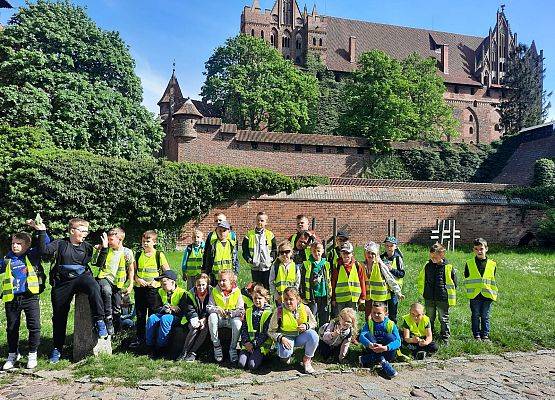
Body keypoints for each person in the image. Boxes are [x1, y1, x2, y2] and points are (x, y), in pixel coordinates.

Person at [31, 218, 108, 364]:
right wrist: (41, 232)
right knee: (59, 316)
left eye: (86, 230)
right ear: (72, 231)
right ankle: (57, 348)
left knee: (93, 286)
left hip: (82, 277)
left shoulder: (87, 247)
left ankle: (99, 320)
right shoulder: (60, 243)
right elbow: (44, 251)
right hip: (62, 281)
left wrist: (104, 248)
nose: (85, 233)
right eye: (82, 230)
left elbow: (97, 264)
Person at [1, 231, 48, 370]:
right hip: (12, 299)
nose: (15, 246)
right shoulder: (7, 259)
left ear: (27, 245)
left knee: (34, 326)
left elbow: (43, 244)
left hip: (30, 297)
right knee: (11, 328)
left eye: (19, 244)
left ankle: (32, 354)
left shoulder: (33, 256)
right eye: (13, 243)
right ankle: (13, 354)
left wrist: (41, 230)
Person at [130, 230, 170, 348]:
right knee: (140, 314)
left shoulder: (159, 255)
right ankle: (140, 338)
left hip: (153, 290)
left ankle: (152, 338)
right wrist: (137, 279)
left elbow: (167, 272)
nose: (145, 244)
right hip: (140, 289)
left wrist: (156, 280)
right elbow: (133, 272)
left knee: (154, 314)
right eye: (143, 241)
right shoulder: (138, 255)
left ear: (154, 242)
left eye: (148, 241)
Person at [267, 287, 318, 374]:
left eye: (291, 299)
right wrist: (281, 338)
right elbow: (270, 331)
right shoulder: (279, 311)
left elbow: (314, 322)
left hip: (300, 337)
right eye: (285, 299)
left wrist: (307, 326)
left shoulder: (305, 308)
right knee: (285, 355)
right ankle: (285, 356)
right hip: (286, 338)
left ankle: (307, 360)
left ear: (297, 299)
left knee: (313, 335)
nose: (288, 302)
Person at [95, 227, 134, 335]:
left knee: (117, 308)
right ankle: (108, 318)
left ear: (120, 240)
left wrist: (130, 285)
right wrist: (101, 249)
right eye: (108, 239)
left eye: (111, 239)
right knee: (106, 291)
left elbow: (131, 269)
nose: (108, 242)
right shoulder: (106, 249)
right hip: (105, 277)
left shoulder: (127, 252)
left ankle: (117, 331)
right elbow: (97, 262)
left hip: (118, 283)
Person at [417, 243, 457, 342]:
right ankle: (430, 335)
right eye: (431, 257)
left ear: (442, 255)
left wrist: (446, 294)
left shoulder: (448, 267)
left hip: (442, 298)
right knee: (429, 318)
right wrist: (423, 292)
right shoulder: (427, 266)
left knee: (443, 318)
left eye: (435, 257)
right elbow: (422, 279)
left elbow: (454, 283)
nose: (433, 259)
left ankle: (445, 337)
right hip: (429, 297)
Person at [207, 269, 244, 363]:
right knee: (212, 317)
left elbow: (241, 310)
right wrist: (217, 309)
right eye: (219, 280)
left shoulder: (237, 292)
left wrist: (231, 313)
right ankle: (217, 346)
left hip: (231, 319)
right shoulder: (215, 291)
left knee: (238, 323)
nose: (221, 283)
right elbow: (209, 307)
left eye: (224, 280)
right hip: (219, 319)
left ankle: (233, 348)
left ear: (231, 281)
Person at [464, 238, 497, 341]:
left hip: (488, 294)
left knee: (485, 315)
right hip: (474, 294)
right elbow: (466, 276)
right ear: (473, 250)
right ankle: (476, 335)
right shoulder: (469, 263)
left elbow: (492, 277)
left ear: (486, 249)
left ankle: (485, 335)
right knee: (475, 315)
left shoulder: (492, 264)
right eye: (476, 249)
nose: (479, 251)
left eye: (481, 249)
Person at [145, 270, 186, 353]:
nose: (162, 286)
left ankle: (161, 347)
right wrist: (165, 308)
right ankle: (149, 345)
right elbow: (155, 308)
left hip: (176, 317)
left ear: (172, 282)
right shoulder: (160, 291)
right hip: (162, 313)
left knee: (165, 318)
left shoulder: (182, 293)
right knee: (152, 318)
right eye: (161, 284)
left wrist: (173, 310)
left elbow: (183, 310)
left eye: (164, 284)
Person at [363, 241, 404, 321]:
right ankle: (371, 331)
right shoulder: (362, 265)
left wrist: (398, 292)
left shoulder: (380, 265)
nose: (370, 255)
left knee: (380, 316)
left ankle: (383, 331)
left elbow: (390, 278)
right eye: (368, 253)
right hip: (368, 296)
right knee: (368, 316)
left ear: (376, 254)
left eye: (373, 253)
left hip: (380, 297)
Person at [358, 302, 400, 379]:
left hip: (387, 351)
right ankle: (383, 362)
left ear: (386, 313)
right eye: (374, 312)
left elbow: (398, 341)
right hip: (373, 348)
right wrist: (370, 344)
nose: (376, 315)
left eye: (379, 313)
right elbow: (361, 337)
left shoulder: (391, 324)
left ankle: (367, 359)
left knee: (391, 336)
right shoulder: (369, 323)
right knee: (367, 335)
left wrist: (385, 347)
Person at [178, 273, 212, 362]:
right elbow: (189, 309)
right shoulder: (190, 294)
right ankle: (184, 352)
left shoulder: (212, 292)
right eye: (198, 285)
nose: (201, 287)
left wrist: (204, 319)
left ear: (207, 284)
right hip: (194, 317)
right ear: (195, 285)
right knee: (194, 327)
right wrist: (195, 319)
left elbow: (211, 307)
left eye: (203, 285)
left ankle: (192, 352)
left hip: (207, 318)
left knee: (205, 328)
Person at [238, 284, 273, 371]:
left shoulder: (269, 313)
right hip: (248, 343)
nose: (257, 301)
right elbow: (244, 328)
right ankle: (250, 354)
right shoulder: (249, 311)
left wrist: (253, 344)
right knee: (241, 364)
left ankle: (263, 356)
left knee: (252, 366)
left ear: (265, 299)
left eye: (260, 298)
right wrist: (246, 342)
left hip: (261, 345)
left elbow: (265, 333)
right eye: (255, 298)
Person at [242, 212, 277, 289]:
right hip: (255, 266)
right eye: (258, 220)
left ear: (266, 222)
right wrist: (249, 260)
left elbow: (274, 250)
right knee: (256, 287)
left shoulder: (270, 234)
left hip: (267, 266)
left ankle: (266, 301)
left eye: (262, 220)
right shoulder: (249, 234)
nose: (259, 222)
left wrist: (270, 259)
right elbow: (245, 250)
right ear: (255, 221)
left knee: (266, 287)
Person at [300, 242, 331, 327]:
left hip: (324, 295)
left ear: (323, 251)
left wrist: (330, 294)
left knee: (324, 317)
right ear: (311, 252)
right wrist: (302, 295)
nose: (316, 253)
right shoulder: (307, 264)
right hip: (311, 296)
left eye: (318, 251)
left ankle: (322, 337)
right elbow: (302, 281)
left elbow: (329, 279)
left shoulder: (326, 264)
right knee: (312, 317)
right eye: (314, 251)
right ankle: (312, 337)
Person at [331, 242, 366, 317]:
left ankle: (353, 329)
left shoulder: (357, 265)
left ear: (352, 254)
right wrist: (333, 298)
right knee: (341, 318)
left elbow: (362, 281)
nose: (346, 255)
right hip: (340, 299)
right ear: (340, 254)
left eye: (348, 253)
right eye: (344, 253)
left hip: (353, 298)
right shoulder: (337, 266)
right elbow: (333, 283)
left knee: (352, 318)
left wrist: (362, 297)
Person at [203, 220, 239, 286]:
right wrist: (207, 274)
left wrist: (235, 274)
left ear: (229, 231)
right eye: (220, 230)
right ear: (216, 231)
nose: (222, 233)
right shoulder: (213, 245)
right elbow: (208, 261)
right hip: (215, 277)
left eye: (224, 230)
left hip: (228, 277)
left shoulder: (232, 244)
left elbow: (235, 260)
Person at [380, 236, 405, 323]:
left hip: (394, 290)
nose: (389, 248)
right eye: (387, 245)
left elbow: (402, 274)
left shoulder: (398, 258)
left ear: (395, 246)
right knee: (382, 311)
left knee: (393, 312)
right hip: (383, 289)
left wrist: (391, 269)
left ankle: (392, 330)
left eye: (391, 246)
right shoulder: (381, 257)